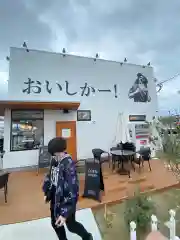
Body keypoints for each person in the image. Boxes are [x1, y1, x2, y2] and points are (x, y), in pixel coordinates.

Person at [42, 137, 93, 240]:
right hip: (55, 198)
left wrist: (65, 213)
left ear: (61, 152)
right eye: (53, 155)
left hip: (66, 200)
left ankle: (87, 237)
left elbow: (72, 190)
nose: (54, 157)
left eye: (55, 154)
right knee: (55, 223)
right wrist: (47, 192)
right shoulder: (54, 160)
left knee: (71, 225)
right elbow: (50, 176)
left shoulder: (68, 165)